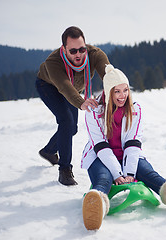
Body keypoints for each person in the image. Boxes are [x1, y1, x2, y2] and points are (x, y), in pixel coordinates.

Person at [81, 64, 166, 230]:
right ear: (108, 92)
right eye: (117, 91)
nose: (122, 95)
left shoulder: (134, 109)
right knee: (104, 178)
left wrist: (130, 172)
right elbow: (100, 146)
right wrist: (117, 173)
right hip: (99, 157)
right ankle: (96, 207)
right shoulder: (94, 111)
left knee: (148, 173)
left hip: (127, 155)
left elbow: (133, 143)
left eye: (125, 90)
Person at [36, 26, 110, 186]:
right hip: (49, 86)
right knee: (66, 122)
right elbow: (64, 86)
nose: (78, 54)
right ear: (64, 48)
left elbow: (109, 75)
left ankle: (48, 151)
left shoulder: (95, 55)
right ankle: (65, 170)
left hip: (73, 90)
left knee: (72, 129)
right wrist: (81, 102)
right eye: (73, 51)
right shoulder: (53, 61)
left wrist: (115, 93)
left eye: (82, 49)